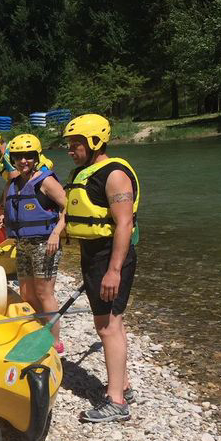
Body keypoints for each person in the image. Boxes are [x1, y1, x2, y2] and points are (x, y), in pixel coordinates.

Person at [62, 113, 140, 423]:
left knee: (108, 327)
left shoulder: (115, 175)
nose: (71, 149)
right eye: (69, 143)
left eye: (76, 143)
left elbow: (124, 223)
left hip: (109, 256)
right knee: (113, 325)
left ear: (95, 141)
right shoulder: (86, 172)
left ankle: (116, 401)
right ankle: (123, 384)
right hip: (94, 256)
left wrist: (114, 270)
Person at [0, 134, 68, 353]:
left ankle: (54, 340)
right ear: (12, 159)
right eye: (18, 157)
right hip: (23, 244)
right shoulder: (12, 184)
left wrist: (56, 233)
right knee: (26, 292)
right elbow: (9, 211)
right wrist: (1, 220)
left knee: (45, 293)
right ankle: (38, 330)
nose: (23, 160)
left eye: (28, 156)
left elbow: (69, 207)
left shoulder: (45, 181)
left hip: (46, 243)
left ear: (36, 157)